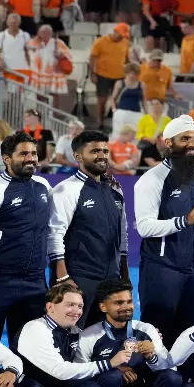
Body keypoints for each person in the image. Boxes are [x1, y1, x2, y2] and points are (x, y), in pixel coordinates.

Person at [0, 132, 52, 343]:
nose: (31, 158)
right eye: (24, 154)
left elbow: (51, 230)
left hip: (36, 280)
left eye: (33, 153)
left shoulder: (43, 186)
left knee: (29, 347)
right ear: (6, 159)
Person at [133, 115, 194, 344]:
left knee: (187, 335)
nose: (193, 144)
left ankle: (182, 379)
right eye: (185, 138)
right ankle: (149, 380)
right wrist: (184, 220)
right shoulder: (151, 179)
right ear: (168, 143)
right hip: (162, 268)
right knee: (155, 335)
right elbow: (144, 227)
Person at [49, 130, 128, 328]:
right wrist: (63, 276)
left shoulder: (115, 190)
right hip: (78, 278)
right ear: (78, 156)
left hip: (110, 279)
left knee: (101, 340)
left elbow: (122, 237)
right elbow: (54, 234)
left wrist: (123, 275)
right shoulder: (65, 190)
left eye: (104, 150)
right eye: (94, 151)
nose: (101, 155)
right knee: (69, 337)